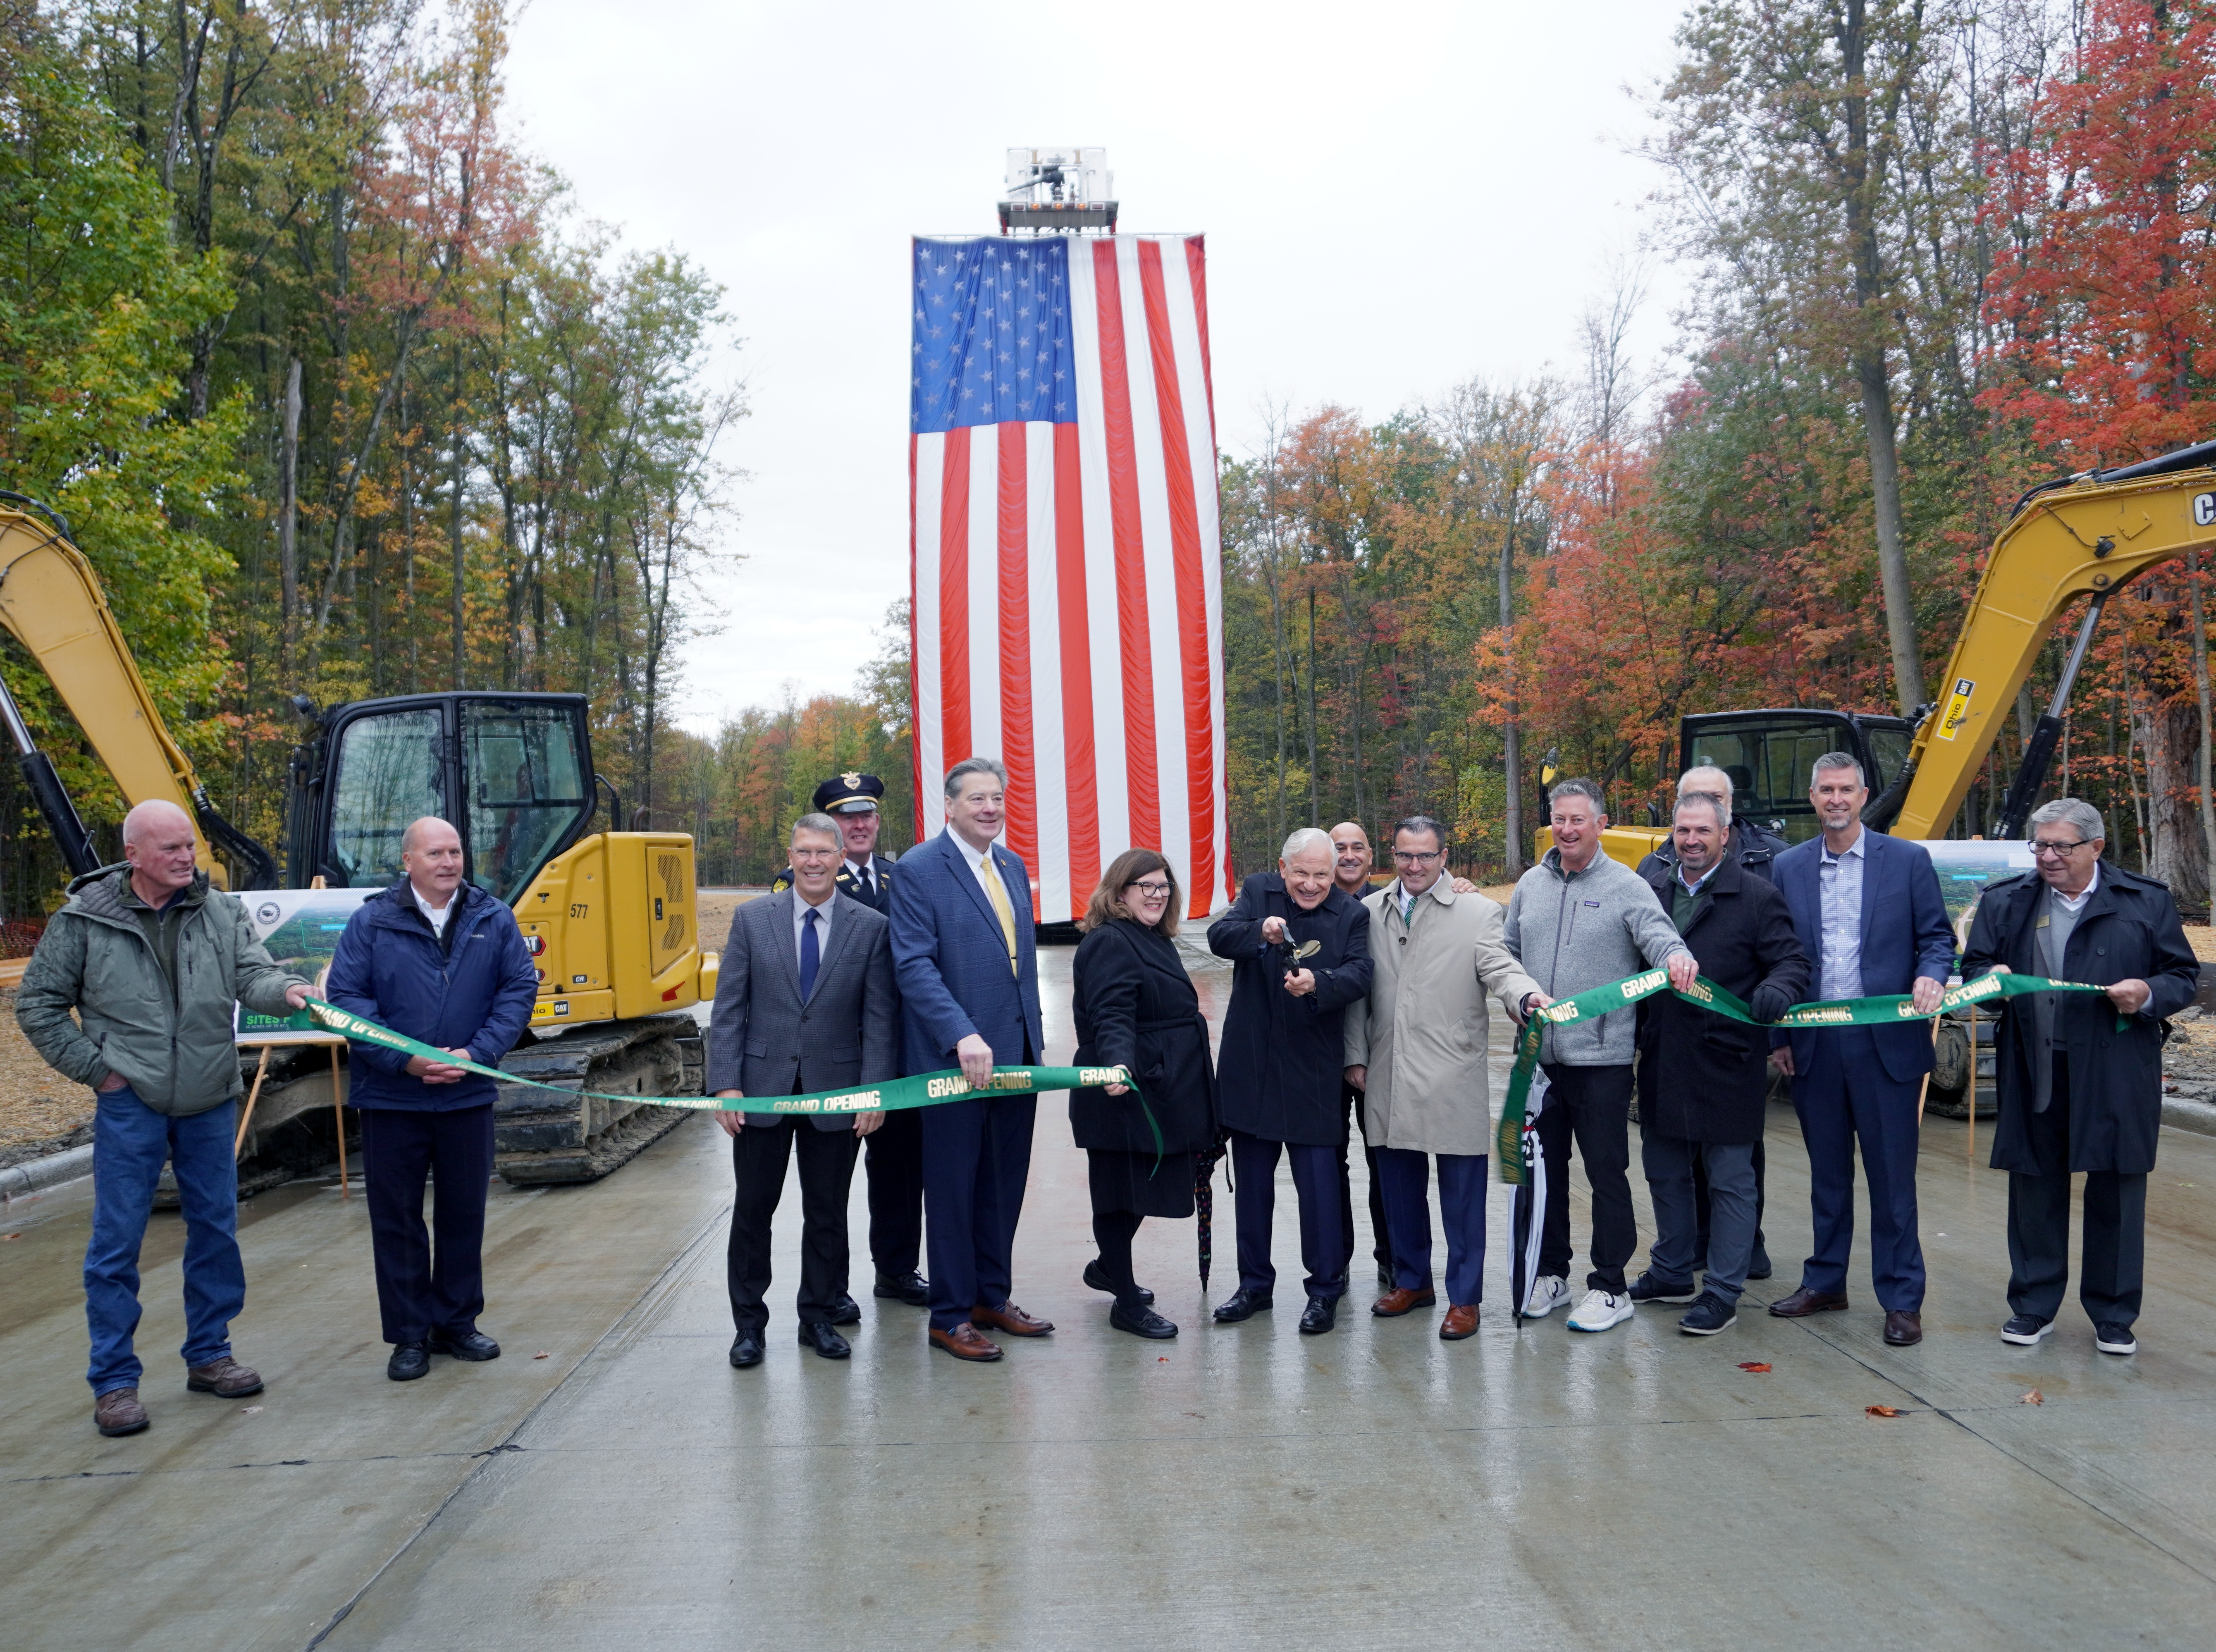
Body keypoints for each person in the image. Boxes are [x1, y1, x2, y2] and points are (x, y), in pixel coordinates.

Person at [17, 800, 312, 1438]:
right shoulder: (84, 923)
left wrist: (287, 991)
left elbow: (252, 977)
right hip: (131, 1104)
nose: (187, 858)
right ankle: (116, 1383)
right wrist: (99, 1072)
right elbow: (38, 1005)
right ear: (134, 855)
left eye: (190, 847)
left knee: (215, 1230)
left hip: (209, 1098)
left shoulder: (219, 912)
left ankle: (210, 1355)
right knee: (116, 1245)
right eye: (173, 848)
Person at [1960, 798, 2197, 1356]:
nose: (2047, 857)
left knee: (2116, 1187)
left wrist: (2148, 995)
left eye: (2060, 846)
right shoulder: (2008, 901)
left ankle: (2114, 1314)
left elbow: (2181, 976)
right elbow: (1973, 968)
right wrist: (1988, 980)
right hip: (2036, 1064)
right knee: (2035, 1186)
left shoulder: (2145, 901)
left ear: (2096, 847)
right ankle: (2033, 1306)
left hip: (2115, 1070)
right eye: (2039, 845)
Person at [325, 816, 538, 1383]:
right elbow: (346, 998)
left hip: (467, 1096)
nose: (449, 862)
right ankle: (409, 1336)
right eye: (436, 853)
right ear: (409, 862)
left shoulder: (492, 917)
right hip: (393, 1098)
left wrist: (478, 1054)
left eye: (455, 852)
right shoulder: (373, 922)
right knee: (396, 1221)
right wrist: (406, 1058)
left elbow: (519, 988)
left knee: (463, 1214)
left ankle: (457, 1324)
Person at [1767, 753, 1955, 1346]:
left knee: (1892, 1183)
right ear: (1814, 796)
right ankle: (1826, 1282)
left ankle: (1902, 1300)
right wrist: (1780, 1038)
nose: (1836, 799)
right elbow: (1776, 957)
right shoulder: (1788, 868)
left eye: (1846, 789)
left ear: (1864, 794)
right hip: (1817, 1046)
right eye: (1826, 789)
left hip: (1887, 1048)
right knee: (1828, 1178)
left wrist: (1931, 974)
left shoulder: (1906, 861)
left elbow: (1937, 938)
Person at [1503, 778, 1698, 1333]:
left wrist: (1679, 959)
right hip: (1539, 1060)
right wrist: (1518, 999)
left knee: (1607, 1172)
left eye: (1578, 821)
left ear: (1601, 824)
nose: (1567, 830)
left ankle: (1611, 1285)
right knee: (1546, 1173)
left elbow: (1662, 940)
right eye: (1559, 820)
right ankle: (1551, 1273)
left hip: (1602, 1061)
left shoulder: (1626, 886)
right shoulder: (1530, 885)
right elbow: (1506, 953)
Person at [708, 813, 896, 1368]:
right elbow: (728, 1011)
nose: (813, 862)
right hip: (761, 1092)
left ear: (842, 859)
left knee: (828, 1212)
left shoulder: (869, 927)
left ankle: (818, 1315)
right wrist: (727, 1084)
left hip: (836, 1094)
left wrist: (873, 1093)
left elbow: (880, 1017)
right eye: (803, 852)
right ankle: (749, 1326)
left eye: (824, 853)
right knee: (753, 1212)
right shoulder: (751, 920)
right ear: (789, 857)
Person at [1344, 816, 1539, 1340]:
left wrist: (1524, 997)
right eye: (1405, 855)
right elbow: (1356, 997)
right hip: (1387, 1070)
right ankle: (1412, 1281)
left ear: (1443, 855)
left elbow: (1500, 966)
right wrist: (1355, 1056)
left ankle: (1465, 1298)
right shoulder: (1367, 913)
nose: (1414, 866)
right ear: (1392, 853)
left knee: (1462, 1196)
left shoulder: (1476, 911)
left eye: (1425, 856)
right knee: (1397, 1189)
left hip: (1452, 1070)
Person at [888, 757, 1051, 1362]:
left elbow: (1019, 967)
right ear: (950, 808)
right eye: (976, 799)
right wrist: (961, 1034)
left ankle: (991, 1297)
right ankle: (951, 1315)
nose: (990, 808)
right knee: (954, 1192)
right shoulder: (918, 870)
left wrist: (1033, 1041)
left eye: (997, 798)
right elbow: (913, 964)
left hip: (1016, 1057)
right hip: (953, 1062)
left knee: (1002, 1188)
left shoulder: (1011, 866)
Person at [1634, 793, 1809, 1335]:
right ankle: (1671, 1270)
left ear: (1725, 836)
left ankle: (1723, 1292)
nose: (1691, 841)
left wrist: (1778, 988)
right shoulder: (1650, 893)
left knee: (1731, 1181)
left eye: (1702, 832)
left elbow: (1792, 960)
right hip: (1662, 1056)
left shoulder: (1756, 897)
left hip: (1727, 1060)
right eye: (1683, 831)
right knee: (1665, 1172)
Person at [1206, 828, 1373, 1334]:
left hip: (1312, 1069)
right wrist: (1262, 931)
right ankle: (1253, 1285)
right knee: (1252, 1189)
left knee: (1319, 1190)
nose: (1310, 884)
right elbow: (1219, 938)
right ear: (1283, 869)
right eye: (1301, 873)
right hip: (1251, 1066)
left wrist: (1317, 984)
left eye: (1321, 874)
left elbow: (1362, 973)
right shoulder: (1258, 892)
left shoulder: (1351, 914)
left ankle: (1324, 1290)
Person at [773, 771, 924, 1310]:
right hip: (835, 1060)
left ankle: (898, 1270)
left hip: (898, 1052)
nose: (858, 825)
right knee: (829, 1188)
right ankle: (831, 1289)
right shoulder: (803, 883)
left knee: (902, 1171)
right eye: (846, 817)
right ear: (829, 831)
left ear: (878, 822)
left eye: (866, 816)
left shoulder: (902, 878)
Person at [1069, 848, 1218, 1339]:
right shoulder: (1111, 942)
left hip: (1162, 1086)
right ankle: (1125, 1302)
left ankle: (1109, 1268)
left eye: (1163, 886)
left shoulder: (1149, 936)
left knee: (1142, 1191)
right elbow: (1110, 1012)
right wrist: (1118, 1063)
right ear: (1119, 892)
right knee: (1120, 1195)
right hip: (1127, 1090)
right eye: (1145, 887)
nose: (1157, 895)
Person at [1328, 819, 1395, 1287]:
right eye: (1338, 848)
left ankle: (1391, 1257)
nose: (1348, 855)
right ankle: (1335, 1259)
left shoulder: (1392, 906)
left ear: (1371, 856)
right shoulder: (1304, 905)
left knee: (1385, 1161)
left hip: (1382, 1056)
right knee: (1329, 1166)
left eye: (1357, 847)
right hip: (1320, 1056)